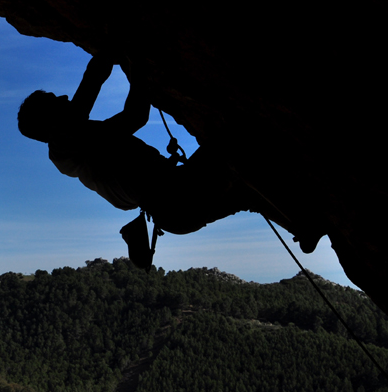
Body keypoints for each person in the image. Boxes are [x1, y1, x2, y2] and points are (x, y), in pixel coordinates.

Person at [18, 54, 254, 269]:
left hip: (176, 210)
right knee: (240, 137)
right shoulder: (65, 149)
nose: (64, 97)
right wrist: (117, 49)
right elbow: (93, 81)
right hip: (180, 195)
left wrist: (137, 71)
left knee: (251, 188)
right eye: (54, 100)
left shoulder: (86, 145)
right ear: (48, 121)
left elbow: (135, 117)